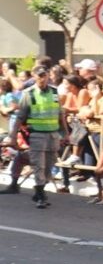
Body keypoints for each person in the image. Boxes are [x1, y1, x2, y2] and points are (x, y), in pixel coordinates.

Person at [7, 66, 64, 208]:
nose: (42, 78)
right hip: (37, 134)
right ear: (34, 77)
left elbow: (59, 114)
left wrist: (65, 134)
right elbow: (20, 117)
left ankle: (39, 191)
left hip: (52, 134)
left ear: (48, 76)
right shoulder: (29, 93)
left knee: (49, 167)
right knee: (39, 165)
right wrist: (13, 136)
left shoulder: (54, 92)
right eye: (39, 76)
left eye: (44, 75)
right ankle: (40, 195)